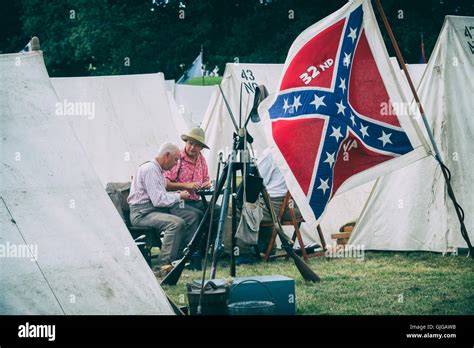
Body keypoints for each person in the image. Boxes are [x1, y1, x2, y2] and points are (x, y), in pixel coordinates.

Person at [128, 142, 203, 271]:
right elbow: (158, 200)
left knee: (191, 215)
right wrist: (179, 196)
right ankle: (163, 265)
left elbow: (160, 195)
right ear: (167, 155)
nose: (176, 163)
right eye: (175, 159)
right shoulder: (151, 169)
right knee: (175, 223)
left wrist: (175, 194)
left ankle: (181, 257)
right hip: (142, 213)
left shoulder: (158, 170)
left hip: (152, 209)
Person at [164, 127, 211, 214]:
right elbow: (165, 184)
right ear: (186, 142)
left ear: (201, 148)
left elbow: (206, 180)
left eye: (196, 145)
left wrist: (206, 185)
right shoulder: (177, 158)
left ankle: (211, 228)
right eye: (190, 143)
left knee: (216, 211)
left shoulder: (202, 160)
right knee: (197, 215)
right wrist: (187, 185)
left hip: (195, 201)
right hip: (179, 202)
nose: (192, 147)